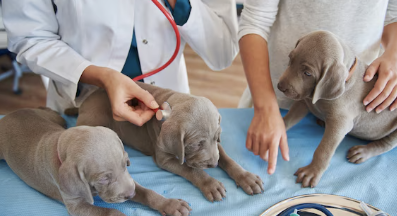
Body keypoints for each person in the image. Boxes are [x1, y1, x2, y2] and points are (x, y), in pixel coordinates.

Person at [2, 0, 238, 126]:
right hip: (81, 108)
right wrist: (102, 76)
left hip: (166, 109)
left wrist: (182, 4)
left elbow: (222, 52)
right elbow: (30, 38)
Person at [238, 0, 397, 175]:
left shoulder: (338, 98)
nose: (284, 81)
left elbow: (393, 15)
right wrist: (266, 109)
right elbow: (255, 20)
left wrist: (317, 166)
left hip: (379, 125)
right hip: (269, 98)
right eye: (291, 59)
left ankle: (379, 147)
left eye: (307, 72)